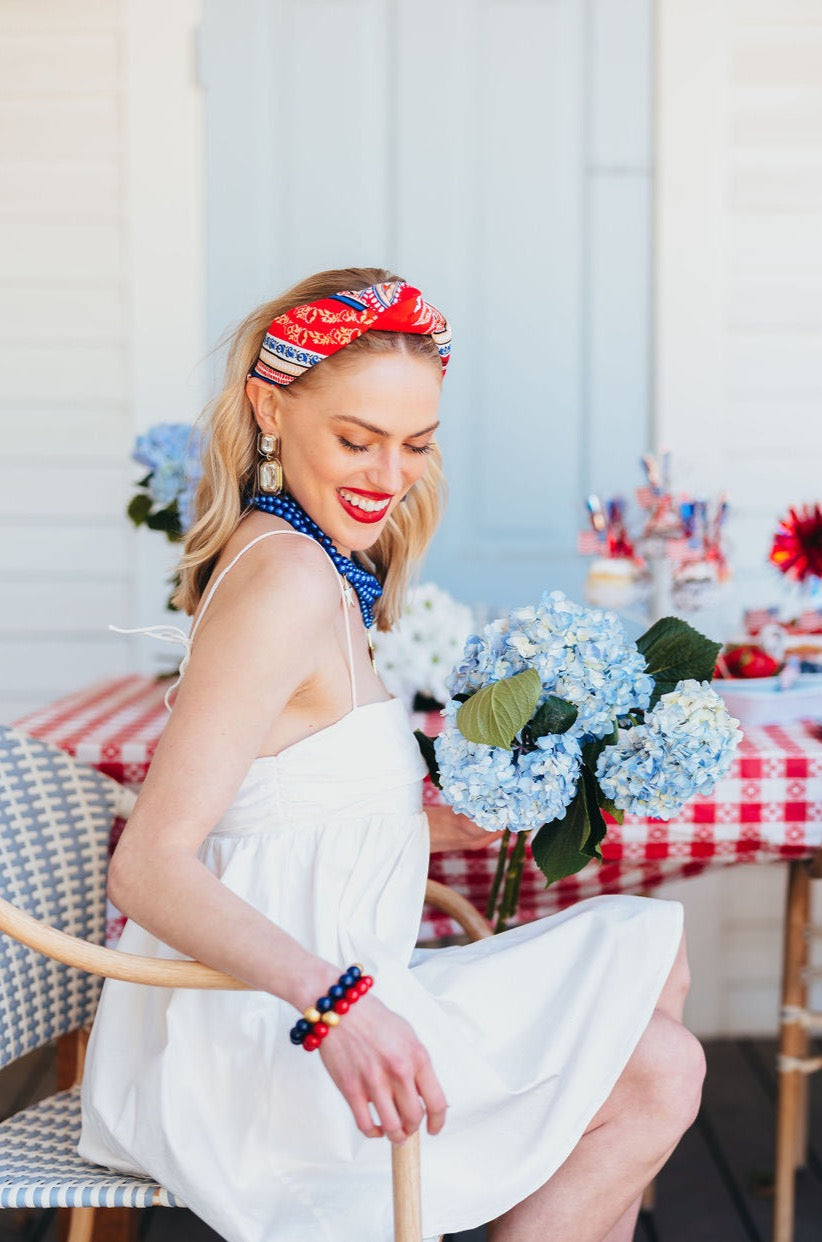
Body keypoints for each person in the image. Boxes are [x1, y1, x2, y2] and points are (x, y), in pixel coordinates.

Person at [79, 268, 705, 1242]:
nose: (389, 474)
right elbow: (149, 867)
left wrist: (447, 815)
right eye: (356, 439)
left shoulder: (318, 564)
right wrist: (341, 1008)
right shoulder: (284, 585)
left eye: (416, 443)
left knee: (645, 973)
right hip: (267, 1041)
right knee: (661, 1065)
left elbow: (288, 800)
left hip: (335, 981)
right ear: (270, 409)